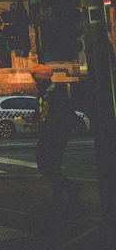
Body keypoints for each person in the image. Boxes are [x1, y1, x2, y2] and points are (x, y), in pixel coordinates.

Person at [29, 65, 81, 205]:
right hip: (46, 134)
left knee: (53, 166)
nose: (36, 83)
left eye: (37, 80)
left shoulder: (58, 93)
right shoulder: (41, 94)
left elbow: (66, 113)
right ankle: (70, 188)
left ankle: (59, 195)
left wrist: (61, 128)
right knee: (45, 166)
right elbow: (40, 111)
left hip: (57, 134)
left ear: (45, 80)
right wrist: (34, 118)